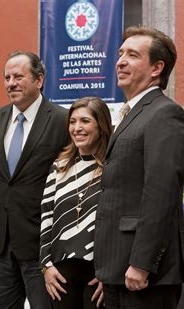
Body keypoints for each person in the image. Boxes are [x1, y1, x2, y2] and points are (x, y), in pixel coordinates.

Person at [94, 26, 184, 308]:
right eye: (120, 54)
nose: (120, 61)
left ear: (156, 68)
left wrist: (141, 263)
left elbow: (161, 195)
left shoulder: (165, 113)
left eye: (133, 55)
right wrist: (108, 266)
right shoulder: (132, 114)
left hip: (144, 275)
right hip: (118, 269)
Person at [0, 51, 69, 308]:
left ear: (39, 80)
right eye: (7, 77)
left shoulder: (62, 120)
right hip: (1, 242)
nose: (11, 83)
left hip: (42, 247)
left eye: (19, 76)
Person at [40, 97, 112, 308]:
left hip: (99, 273)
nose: (77, 128)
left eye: (85, 121)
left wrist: (111, 272)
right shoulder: (59, 167)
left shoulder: (113, 168)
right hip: (61, 275)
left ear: (101, 125)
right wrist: (45, 266)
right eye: (72, 122)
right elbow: (46, 216)